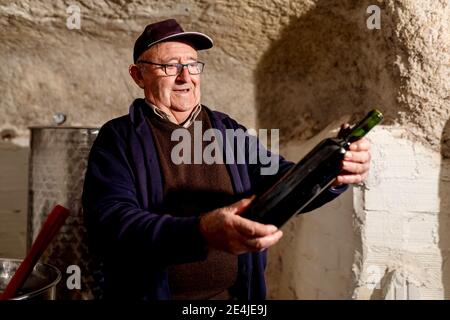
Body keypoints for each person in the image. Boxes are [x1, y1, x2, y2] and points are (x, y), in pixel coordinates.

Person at [82, 19, 371, 300]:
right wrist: (200, 232)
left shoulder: (226, 130)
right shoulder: (119, 137)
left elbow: (283, 181)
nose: (185, 77)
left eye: (192, 65)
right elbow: (111, 224)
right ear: (138, 75)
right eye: (170, 66)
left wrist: (330, 171)